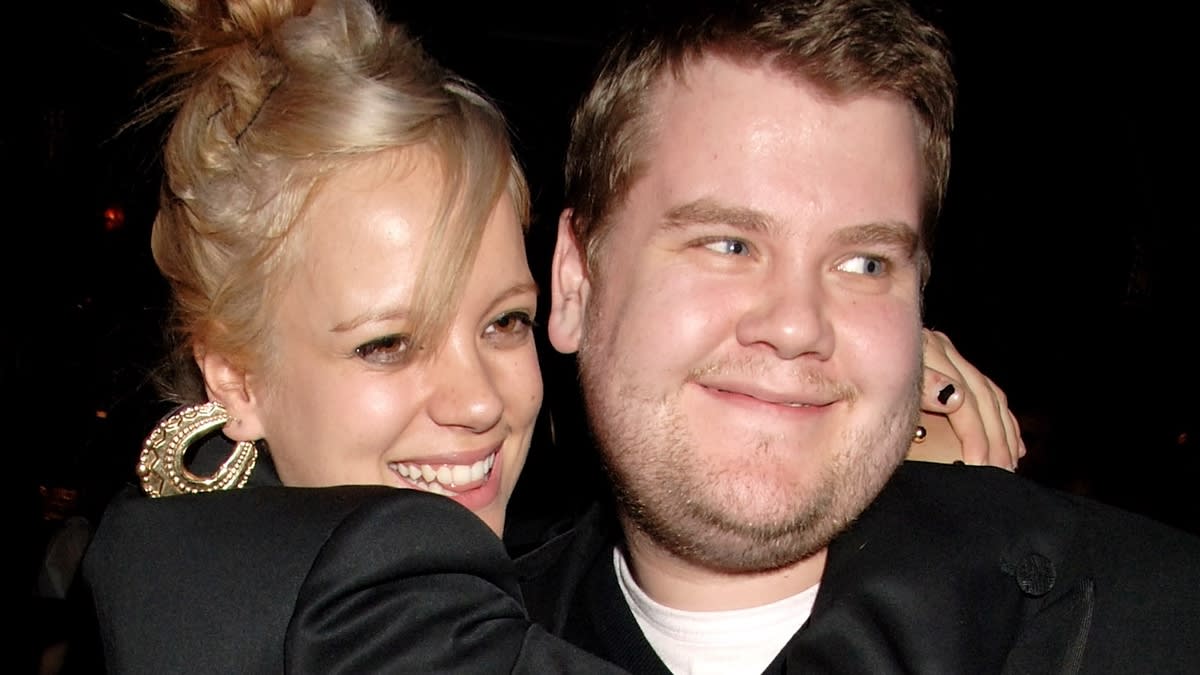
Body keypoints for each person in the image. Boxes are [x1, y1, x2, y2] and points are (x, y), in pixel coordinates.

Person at [77, 0, 1023, 672]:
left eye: (501, 322)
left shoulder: (499, 599)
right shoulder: (312, 600)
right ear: (236, 376)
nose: (480, 400)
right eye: (386, 344)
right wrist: (935, 527)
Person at [511, 0, 1200, 672]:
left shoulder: (1160, 621)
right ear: (575, 282)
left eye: (863, 264)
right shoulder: (446, 639)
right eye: (728, 244)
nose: (795, 324)